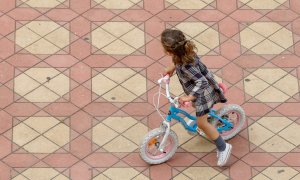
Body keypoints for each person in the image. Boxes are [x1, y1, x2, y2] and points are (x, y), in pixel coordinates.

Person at [161, 29, 231, 167]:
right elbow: (177, 62)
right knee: (199, 112)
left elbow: (202, 82)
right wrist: (171, 68)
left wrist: (190, 96)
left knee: (201, 124)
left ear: (169, 51)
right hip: (200, 93)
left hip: (202, 95)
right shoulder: (183, 54)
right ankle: (211, 118)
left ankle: (223, 147)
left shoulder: (186, 66)